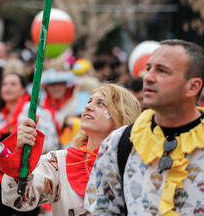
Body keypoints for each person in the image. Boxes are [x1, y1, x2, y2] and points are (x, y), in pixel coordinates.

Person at [85, 39, 204, 215]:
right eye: (148, 69)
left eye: (162, 71)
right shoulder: (118, 143)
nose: (147, 77)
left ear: (192, 86)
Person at [0, 83, 140, 215]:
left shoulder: (137, 163)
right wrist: (20, 157)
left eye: (100, 103)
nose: (87, 107)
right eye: (89, 101)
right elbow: (18, 199)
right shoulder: (58, 162)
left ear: (120, 116)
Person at [0, 72, 58, 214]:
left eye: (13, 84)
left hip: (28, 183)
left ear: (23, 89)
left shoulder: (34, 112)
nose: (8, 88)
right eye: (5, 84)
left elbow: (51, 143)